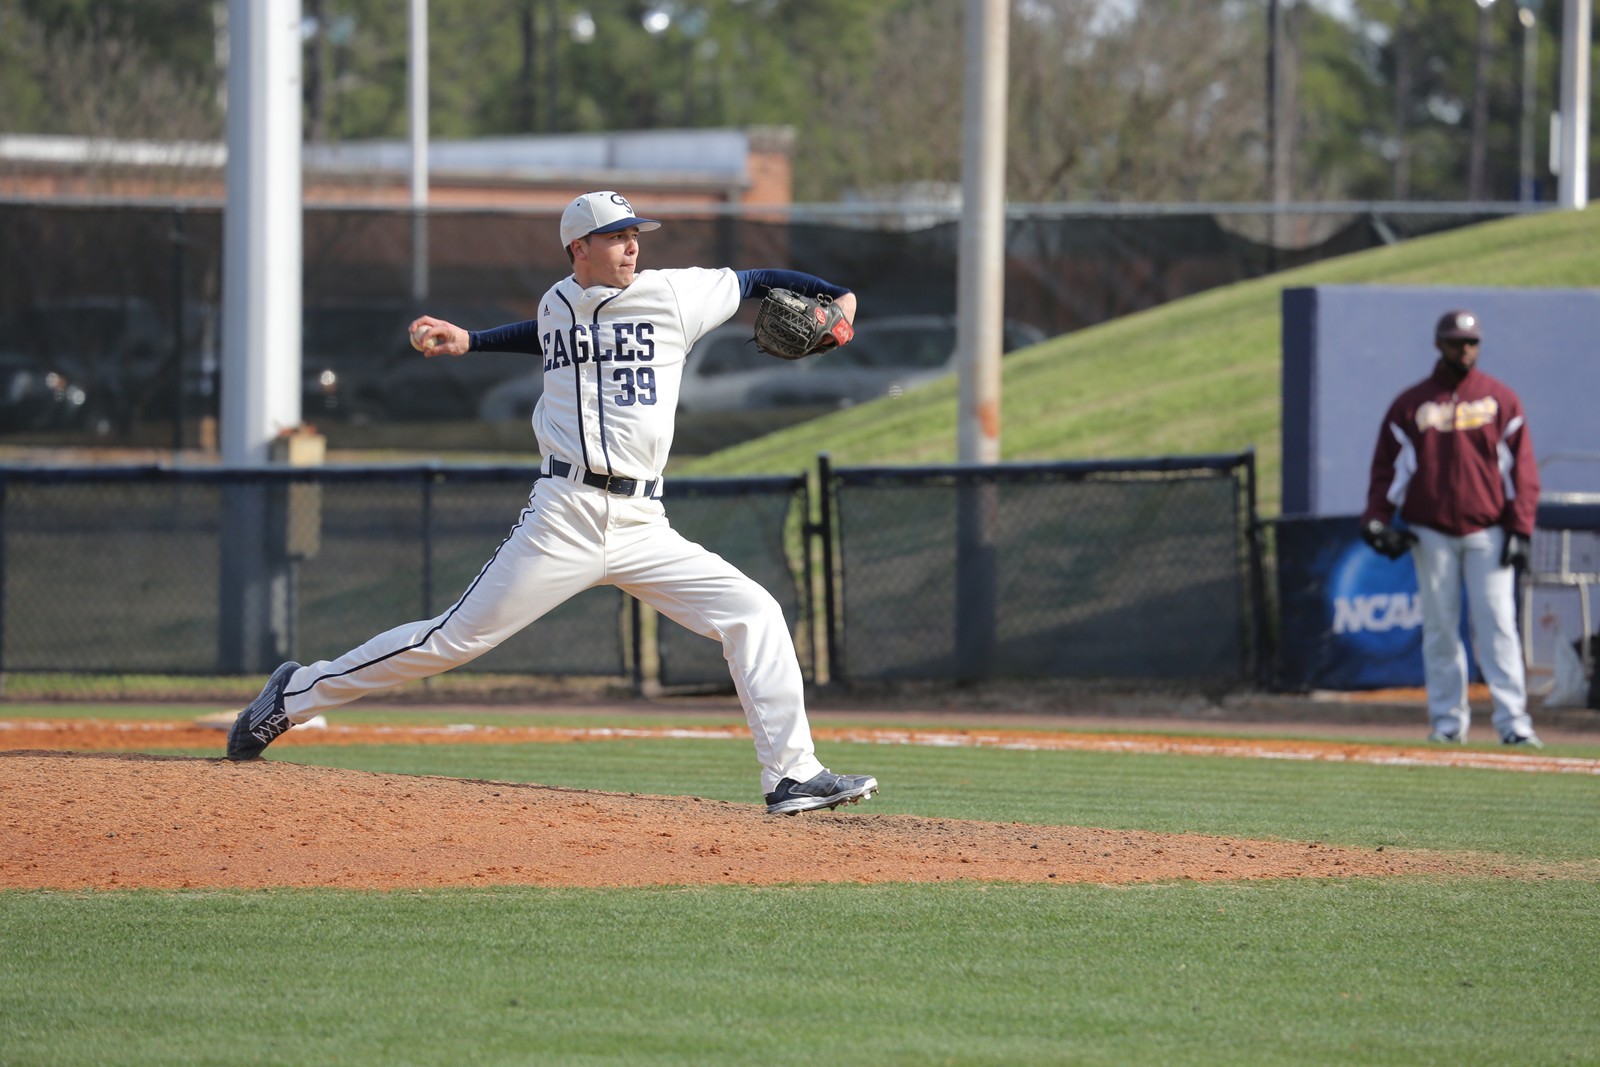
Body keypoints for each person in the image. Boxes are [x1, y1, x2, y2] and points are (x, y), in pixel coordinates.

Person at [227, 190, 878, 815]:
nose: (630, 247)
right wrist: (472, 340)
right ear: (578, 248)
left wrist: (834, 295)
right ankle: (294, 691)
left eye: (634, 235)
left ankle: (792, 774)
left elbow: (759, 276)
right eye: (616, 237)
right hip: (564, 514)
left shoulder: (677, 294)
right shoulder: (556, 304)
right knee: (451, 640)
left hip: (644, 523)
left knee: (753, 612)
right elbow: (544, 332)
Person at [1360, 308, 1542, 747]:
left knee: (1498, 623)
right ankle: (1447, 722)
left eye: (1472, 342)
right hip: (1432, 530)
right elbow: (1387, 468)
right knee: (1440, 627)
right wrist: (1376, 519)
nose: (1466, 350)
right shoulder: (1411, 404)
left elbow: (1524, 470)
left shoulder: (1500, 399)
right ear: (1439, 344)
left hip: (1488, 530)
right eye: (1457, 342)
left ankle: (1514, 722)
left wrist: (1521, 528)